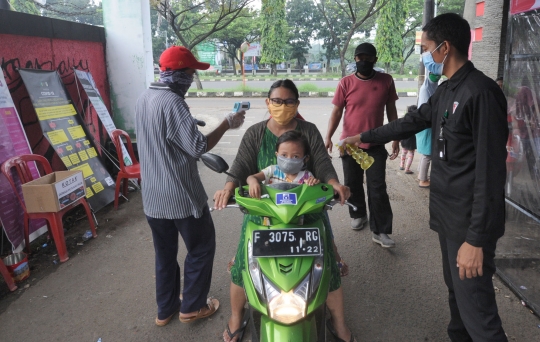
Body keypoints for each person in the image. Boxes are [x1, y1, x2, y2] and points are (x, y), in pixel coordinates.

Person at [341, 13, 508, 341]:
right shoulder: (446, 91)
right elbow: (408, 122)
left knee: (478, 311)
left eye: (428, 47)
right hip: (447, 216)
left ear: (445, 47)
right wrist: (362, 136)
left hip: (468, 222)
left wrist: (475, 239)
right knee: (456, 296)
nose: (426, 55)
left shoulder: (481, 93)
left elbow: (491, 173)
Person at [214, 79, 356, 342]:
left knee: (327, 269)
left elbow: (324, 164)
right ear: (268, 103)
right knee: (243, 268)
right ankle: (236, 317)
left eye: (289, 101)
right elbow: (241, 166)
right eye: (276, 101)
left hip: (307, 214)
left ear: (297, 104)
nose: (282, 106)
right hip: (263, 215)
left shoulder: (309, 131)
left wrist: (335, 184)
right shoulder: (256, 133)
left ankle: (339, 323)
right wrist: (228, 188)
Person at [135, 45, 246, 327]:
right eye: (191, 71)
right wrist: (227, 123)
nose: (192, 76)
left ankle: (166, 309)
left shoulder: (145, 97)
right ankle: (193, 307)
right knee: (201, 247)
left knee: (164, 254)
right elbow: (198, 146)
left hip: (153, 199)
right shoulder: (173, 102)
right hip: (181, 197)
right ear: (179, 73)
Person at [325, 42, 400, 248]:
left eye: (368, 58)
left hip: (375, 143)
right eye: (360, 58)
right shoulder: (345, 83)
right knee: (353, 183)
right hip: (349, 146)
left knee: (378, 188)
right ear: (355, 59)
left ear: (375, 60)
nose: (364, 61)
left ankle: (381, 230)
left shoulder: (386, 81)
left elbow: (391, 110)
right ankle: (358, 213)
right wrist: (328, 137)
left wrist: (396, 137)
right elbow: (337, 112)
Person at [416, 73, 440, 188]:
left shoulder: (432, 86)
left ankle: (421, 175)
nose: (437, 77)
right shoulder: (426, 89)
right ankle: (423, 180)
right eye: (434, 75)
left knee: (425, 154)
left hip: (425, 125)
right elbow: (427, 109)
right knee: (428, 154)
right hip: (427, 124)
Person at [399, 105, 418, 174]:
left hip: (404, 139)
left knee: (403, 152)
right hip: (411, 141)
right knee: (411, 154)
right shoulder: (416, 121)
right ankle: (407, 169)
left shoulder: (404, 119)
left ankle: (401, 165)